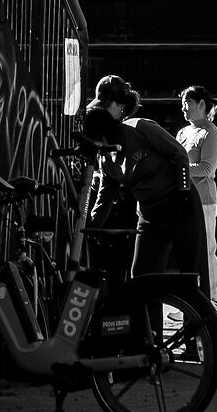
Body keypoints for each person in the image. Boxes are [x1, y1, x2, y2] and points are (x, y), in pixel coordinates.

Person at [81, 74, 210, 300]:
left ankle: (203, 320)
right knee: (142, 275)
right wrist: (89, 229)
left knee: (192, 272)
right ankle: (148, 323)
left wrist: (182, 192)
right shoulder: (106, 159)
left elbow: (179, 154)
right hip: (150, 213)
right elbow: (104, 198)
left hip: (181, 205)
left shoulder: (140, 128)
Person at [178, 85, 217, 329]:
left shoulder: (211, 133)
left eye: (187, 103)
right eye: (183, 104)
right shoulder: (183, 132)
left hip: (204, 200)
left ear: (201, 104)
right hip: (186, 199)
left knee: (207, 251)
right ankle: (190, 301)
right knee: (189, 251)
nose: (183, 108)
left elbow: (207, 168)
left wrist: (177, 169)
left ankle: (212, 302)